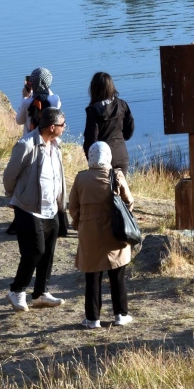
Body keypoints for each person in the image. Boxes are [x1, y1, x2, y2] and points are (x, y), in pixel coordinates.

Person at [2, 106, 69, 312]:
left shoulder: (55, 145)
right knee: (35, 251)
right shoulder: (26, 145)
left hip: (51, 208)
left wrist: (61, 204)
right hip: (28, 208)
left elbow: (58, 176)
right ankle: (17, 290)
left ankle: (40, 293)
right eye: (62, 125)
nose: (64, 128)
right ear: (51, 127)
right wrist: (18, 196)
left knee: (48, 251)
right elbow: (9, 176)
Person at [69, 141, 134, 329]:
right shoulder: (116, 175)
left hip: (90, 233)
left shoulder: (81, 179)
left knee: (92, 276)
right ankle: (120, 314)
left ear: (90, 156)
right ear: (108, 156)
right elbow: (129, 202)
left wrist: (80, 223)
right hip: (115, 232)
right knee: (117, 275)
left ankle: (93, 318)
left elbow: (73, 206)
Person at [82, 72, 135, 173]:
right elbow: (130, 131)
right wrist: (119, 139)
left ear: (94, 89)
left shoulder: (93, 111)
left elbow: (91, 139)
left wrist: (91, 159)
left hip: (102, 157)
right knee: (121, 187)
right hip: (121, 155)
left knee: (103, 188)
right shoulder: (122, 105)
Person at [16, 67, 62, 135]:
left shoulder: (27, 102)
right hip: (48, 142)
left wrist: (24, 97)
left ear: (32, 83)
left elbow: (19, 121)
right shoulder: (55, 100)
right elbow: (48, 94)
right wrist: (42, 86)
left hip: (30, 142)